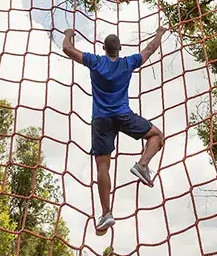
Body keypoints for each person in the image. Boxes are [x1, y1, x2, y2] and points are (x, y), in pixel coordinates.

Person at [62, 26, 167, 235]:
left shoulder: (96, 62)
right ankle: (142, 164)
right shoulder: (128, 63)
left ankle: (106, 213)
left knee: (103, 167)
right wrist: (159, 33)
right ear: (119, 48)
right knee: (157, 136)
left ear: (103, 48)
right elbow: (150, 49)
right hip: (123, 116)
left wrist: (68, 34)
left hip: (101, 120)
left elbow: (68, 49)